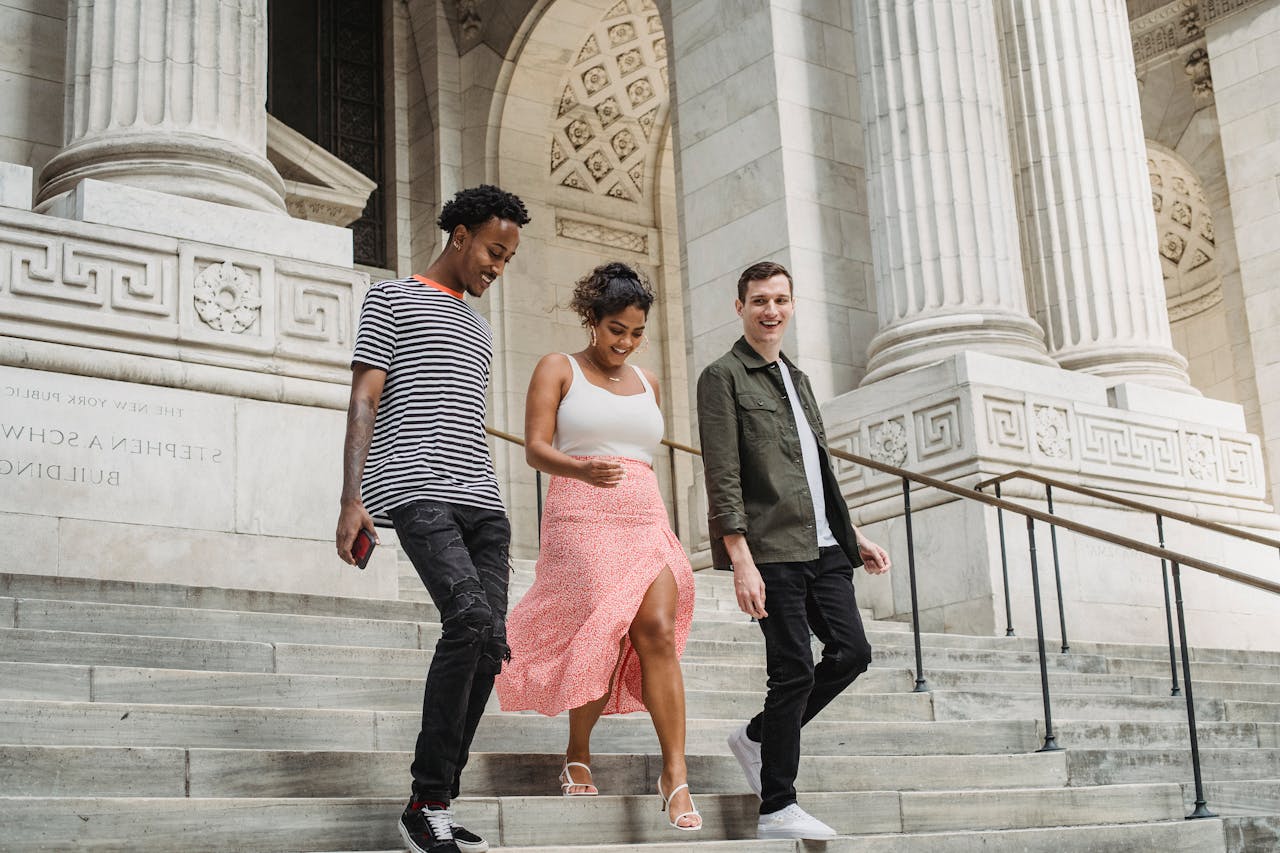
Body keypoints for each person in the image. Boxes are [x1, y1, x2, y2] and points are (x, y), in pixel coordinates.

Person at [335, 184, 530, 853]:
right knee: (469, 621)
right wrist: (350, 496)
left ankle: (434, 800)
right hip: (416, 487)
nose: (496, 268)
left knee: (490, 645)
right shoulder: (390, 297)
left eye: (506, 259)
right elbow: (365, 396)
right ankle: (426, 799)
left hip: (484, 503)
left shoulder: (478, 328)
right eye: (493, 252)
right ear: (461, 235)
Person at [496, 261, 701, 832]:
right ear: (592, 319)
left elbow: (642, 453)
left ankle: (675, 774)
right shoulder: (557, 367)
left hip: (642, 511)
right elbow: (536, 449)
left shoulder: (649, 383)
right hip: (579, 510)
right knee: (604, 627)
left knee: (656, 629)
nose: (626, 342)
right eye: (616, 329)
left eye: (636, 332)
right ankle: (578, 750)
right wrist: (583, 472)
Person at [696, 261, 892, 841]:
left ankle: (758, 736)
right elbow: (723, 473)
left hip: (824, 543)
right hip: (771, 548)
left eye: (780, 299)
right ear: (740, 307)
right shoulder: (722, 376)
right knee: (792, 671)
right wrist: (740, 559)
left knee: (851, 653)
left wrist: (851, 533)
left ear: (792, 304)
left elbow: (816, 470)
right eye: (759, 300)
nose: (771, 310)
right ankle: (778, 804)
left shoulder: (798, 377)